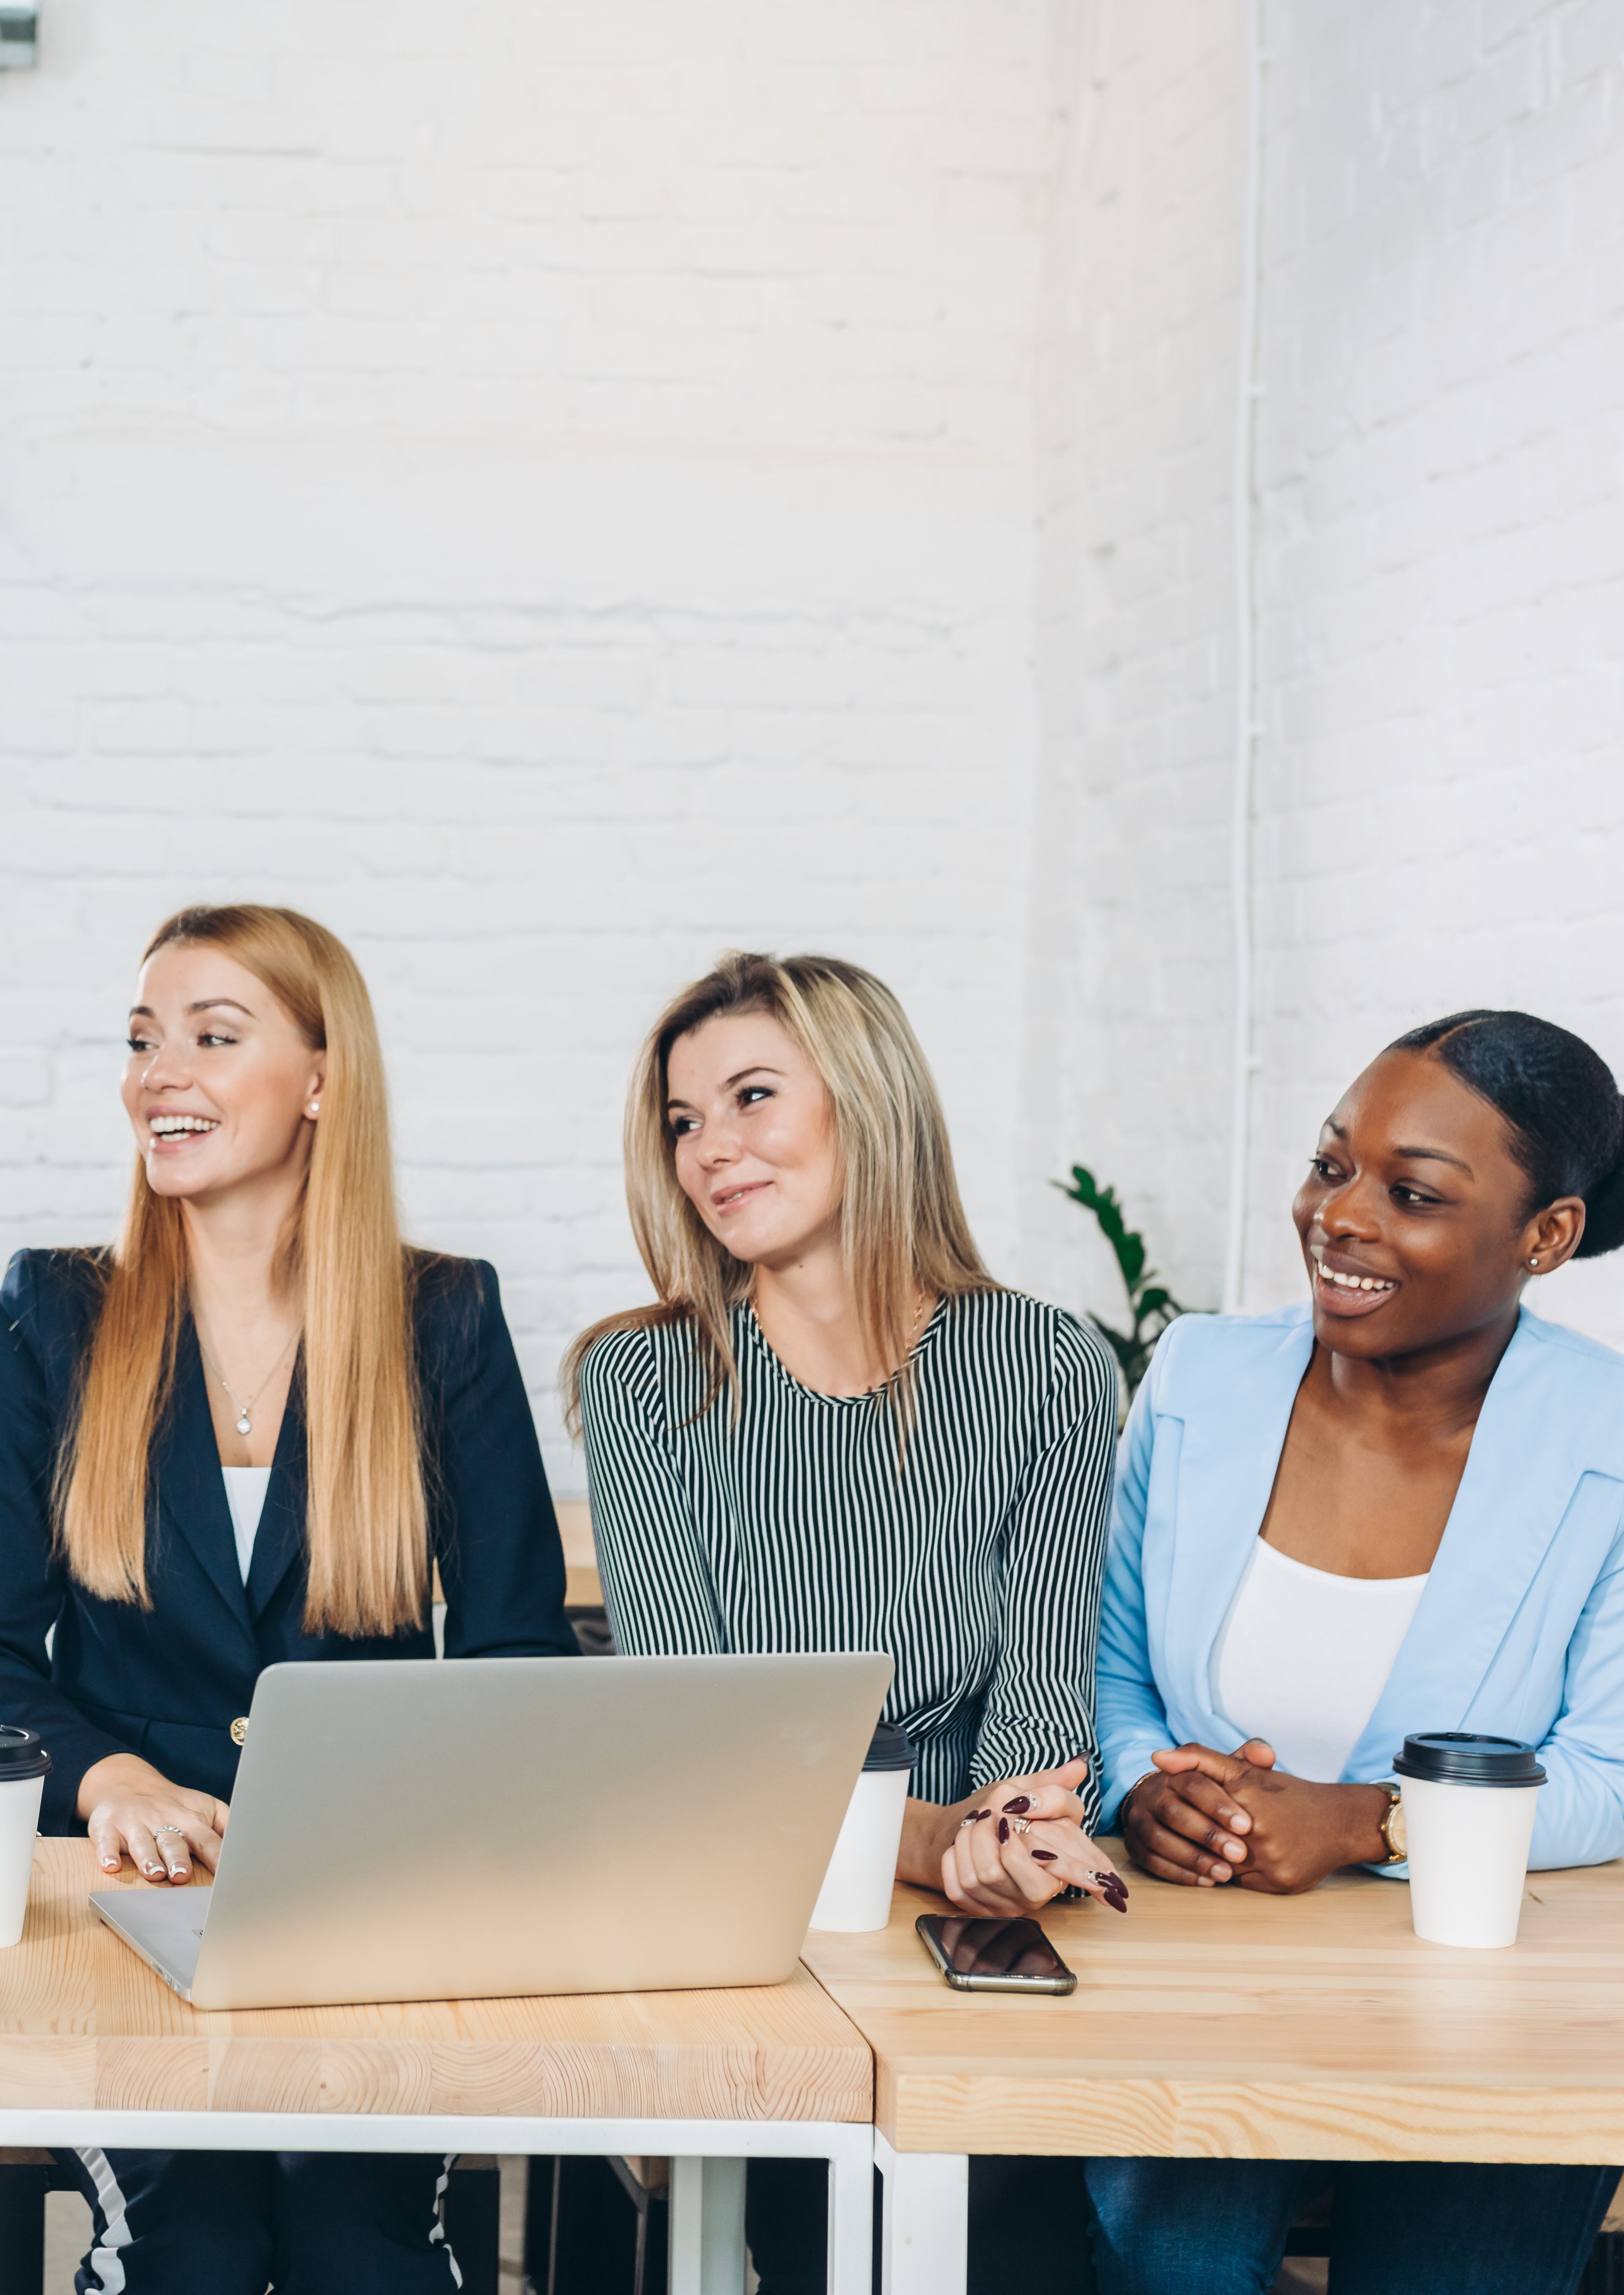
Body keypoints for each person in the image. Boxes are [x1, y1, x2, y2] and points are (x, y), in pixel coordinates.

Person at [0, 902, 579, 2295]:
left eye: (214, 1037)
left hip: (372, 1912)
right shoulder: (56, 1312)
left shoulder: (444, 1316)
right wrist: (107, 1780)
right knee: (189, 2252)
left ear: (324, 1082)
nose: (161, 1072)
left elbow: (520, 1652)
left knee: (366, 2253)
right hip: (118, 1911)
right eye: (145, 1039)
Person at [1090, 1009, 1624, 2294]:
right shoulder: (1200, 1376)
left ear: (1547, 1236)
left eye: (1412, 1192)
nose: (1342, 1216)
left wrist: (1365, 1821)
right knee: (1174, 2271)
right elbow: (1114, 1669)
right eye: (1331, 1166)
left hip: (1487, 1991)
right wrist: (1157, 1789)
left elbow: (1610, 1779)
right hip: (1202, 1971)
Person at [568, 950, 1122, 2286]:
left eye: (752, 1097)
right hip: (768, 1938)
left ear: (866, 1102)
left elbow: (1043, 1696)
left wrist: (1020, 1828)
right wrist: (937, 1839)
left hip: (983, 1938)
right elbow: (695, 1743)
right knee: (831, 2244)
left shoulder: (1045, 1364)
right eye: (685, 1122)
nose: (713, 1150)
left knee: (1030, 2247)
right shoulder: (645, 1379)